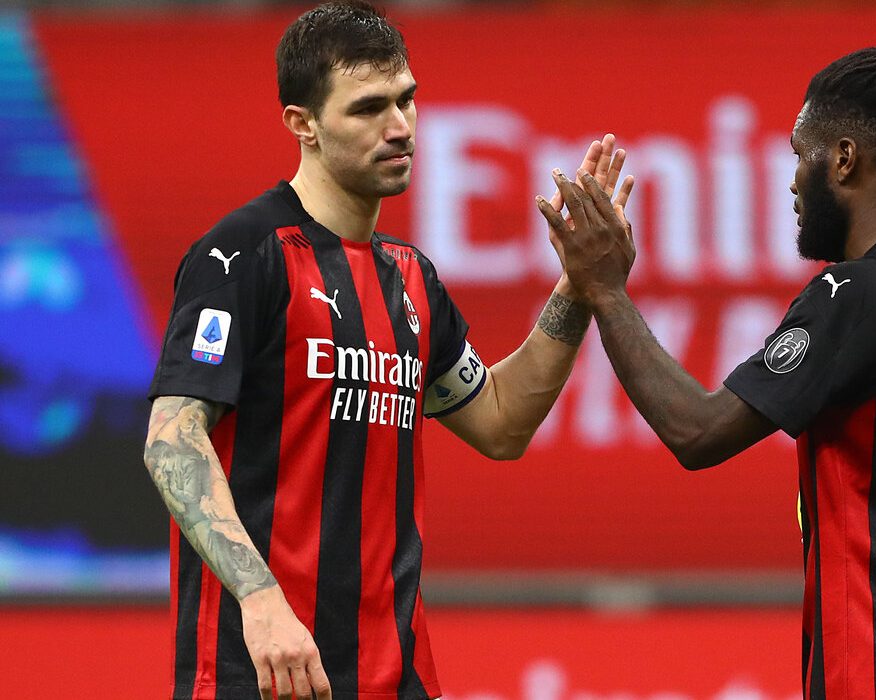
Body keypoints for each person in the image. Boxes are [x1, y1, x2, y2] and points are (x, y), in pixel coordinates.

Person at [540, 29, 876, 700]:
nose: (792, 180)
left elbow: (697, 431)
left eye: (800, 155)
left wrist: (606, 289)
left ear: (844, 160)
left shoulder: (857, 294)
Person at [143, 2, 633, 698]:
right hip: (263, 670)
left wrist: (579, 289)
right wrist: (261, 599)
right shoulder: (241, 255)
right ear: (302, 124)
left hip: (394, 673)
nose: (400, 127)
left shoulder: (410, 277)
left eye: (407, 100)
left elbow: (500, 424)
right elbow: (171, 439)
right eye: (369, 108)